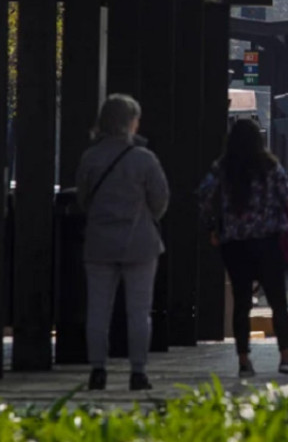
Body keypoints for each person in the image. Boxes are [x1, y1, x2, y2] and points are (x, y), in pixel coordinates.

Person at [198, 119, 288, 379]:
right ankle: (286, 356)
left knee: (241, 303)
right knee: (278, 302)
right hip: (267, 243)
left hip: (234, 244)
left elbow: (205, 199)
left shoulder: (222, 168)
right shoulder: (270, 166)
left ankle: (244, 361)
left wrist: (215, 227)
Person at [76, 94, 169, 391]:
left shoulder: (90, 157)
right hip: (139, 242)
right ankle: (138, 372)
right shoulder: (144, 159)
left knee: (98, 310)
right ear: (131, 122)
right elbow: (160, 201)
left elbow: (82, 199)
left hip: (99, 243)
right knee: (139, 311)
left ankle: (98, 370)